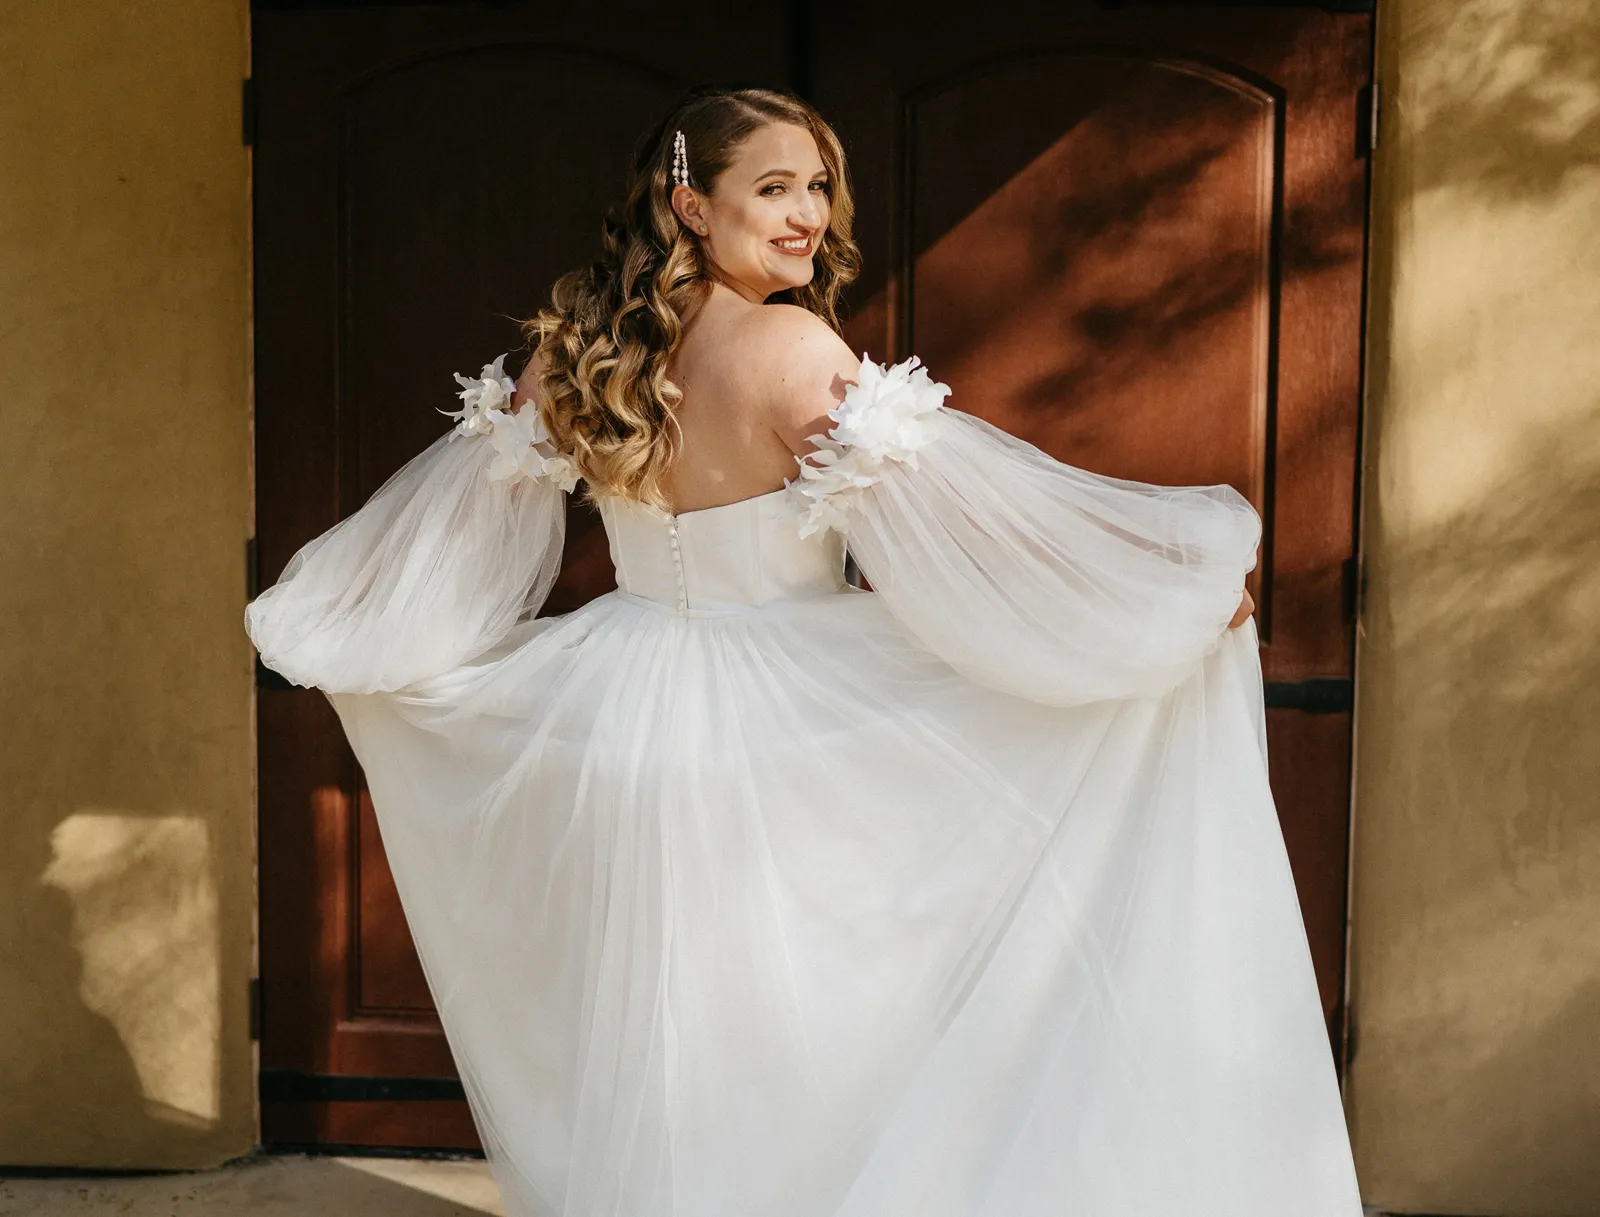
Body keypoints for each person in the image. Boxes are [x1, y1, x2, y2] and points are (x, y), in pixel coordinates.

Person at [246, 86, 1358, 1217]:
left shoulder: (583, 350)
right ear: (689, 204)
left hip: (620, 705)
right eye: (771, 188)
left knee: (676, 1037)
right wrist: (1142, 593)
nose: (807, 216)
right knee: (807, 1041)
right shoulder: (790, 346)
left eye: (818, 186)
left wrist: (372, 636)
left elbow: (459, 529)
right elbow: (954, 522)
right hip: (789, 718)